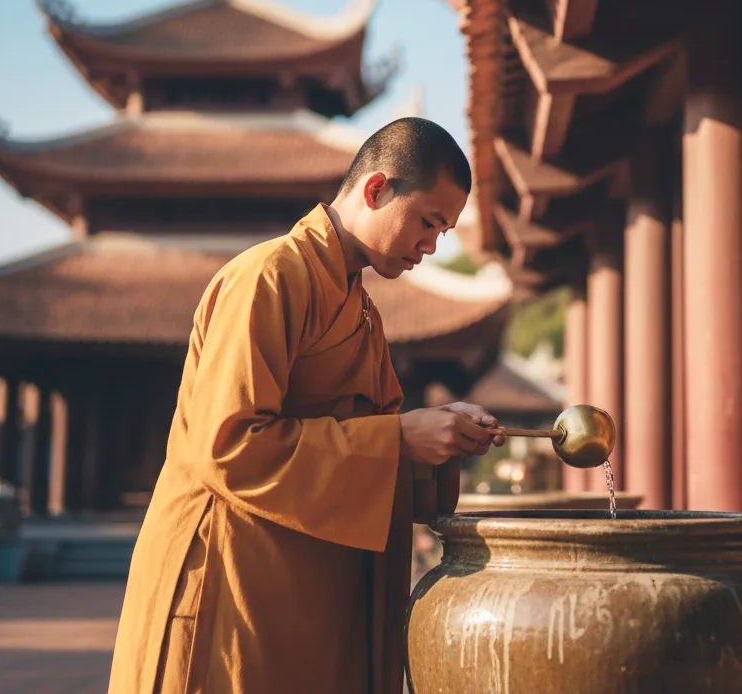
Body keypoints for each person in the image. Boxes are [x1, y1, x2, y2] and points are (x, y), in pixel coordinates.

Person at [108, 117, 504, 694]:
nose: (432, 245)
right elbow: (230, 444)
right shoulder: (268, 277)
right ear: (376, 189)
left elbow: (369, 443)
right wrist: (398, 439)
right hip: (232, 585)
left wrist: (438, 438)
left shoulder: (360, 308)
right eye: (428, 222)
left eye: (443, 232)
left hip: (304, 590)